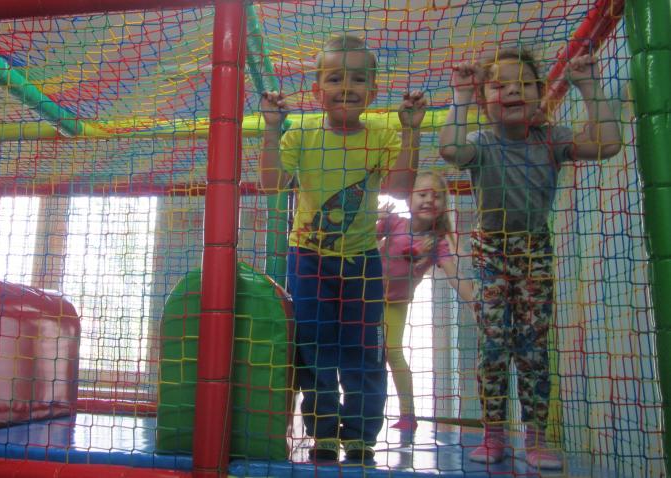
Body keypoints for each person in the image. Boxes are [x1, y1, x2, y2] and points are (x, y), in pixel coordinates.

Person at [439, 47, 621, 469]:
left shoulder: (551, 139)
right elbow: (449, 150)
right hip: (490, 249)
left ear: (540, 93)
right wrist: (461, 96)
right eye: (498, 85)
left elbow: (608, 144)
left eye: (523, 84)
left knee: (533, 347)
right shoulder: (481, 143)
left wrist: (588, 86)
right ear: (485, 99)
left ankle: (536, 437)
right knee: (493, 344)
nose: (511, 91)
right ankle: (494, 433)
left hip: (535, 249)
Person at [259, 33, 426, 462]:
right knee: (315, 346)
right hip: (308, 257)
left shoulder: (383, 133)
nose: (346, 87)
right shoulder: (302, 135)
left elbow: (400, 189)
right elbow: (271, 184)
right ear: (318, 91)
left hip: (362, 261)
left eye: (358, 79)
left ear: (373, 92)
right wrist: (273, 130)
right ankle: (324, 434)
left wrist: (411, 132)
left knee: (364, 350)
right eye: (335, 79)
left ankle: (359, 436)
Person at [377, 171, 475, 432]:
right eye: (422, 194)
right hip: (366, 296)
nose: (430, 200)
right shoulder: (394, 223)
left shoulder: (437, 243)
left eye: (437, 196)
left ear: (443, 206)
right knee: (366, 353)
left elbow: (454, 275)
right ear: (409, 199)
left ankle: (408, 414)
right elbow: (364, 241)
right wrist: (376, 216)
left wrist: (475, 303)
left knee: (392, 351)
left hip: (396, 303)